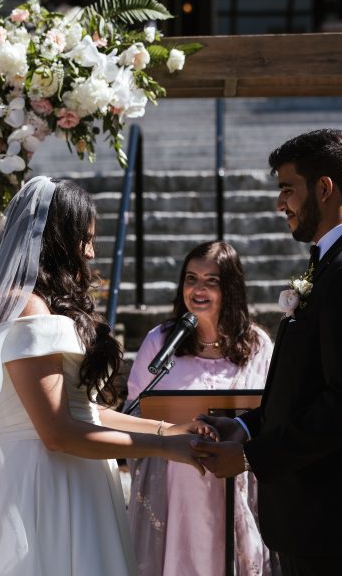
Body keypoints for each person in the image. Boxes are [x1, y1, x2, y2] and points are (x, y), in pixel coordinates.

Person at [0, 176, 215, 576]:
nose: (89, 251)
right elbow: (56, 432)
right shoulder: (27, 308)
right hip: (45, 485)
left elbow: (85, 411)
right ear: (58, 237)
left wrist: (168, 430)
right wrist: (165, 450)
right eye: (83, 238)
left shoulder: (39, 305)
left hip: (76, 475)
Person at [193, 130, 342, 576]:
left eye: (287, 188)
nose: (281, 203)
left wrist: (249, 458)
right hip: (322, 515)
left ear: (323, 188)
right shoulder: (335, 263)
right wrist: (245, 426)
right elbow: (308, 385)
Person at [125, 241, 278, 576]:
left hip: (236, 482)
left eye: (211, 281)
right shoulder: (160, 341)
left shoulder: (257, 345)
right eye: (191, 279)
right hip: (176, 491)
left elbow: (273, 413)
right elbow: (133, 411)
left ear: (231, 288)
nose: (198, 289)